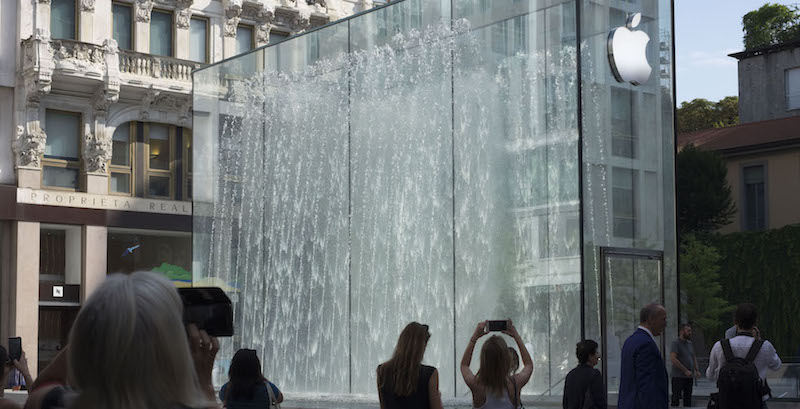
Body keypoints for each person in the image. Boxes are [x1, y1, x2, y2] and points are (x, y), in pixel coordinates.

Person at [25, 271, 220, 409]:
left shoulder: (56, 403)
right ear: (172, 351)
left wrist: (104, 326)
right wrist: (205, 385)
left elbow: (43, 386)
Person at [706, 303, 781, 409]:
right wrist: (759, 341)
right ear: (755, 322)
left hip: (727, 402)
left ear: (735, 322)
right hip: (755, 402)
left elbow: (710, 376)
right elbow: (777, 365)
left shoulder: (719, 346)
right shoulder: (765, 346)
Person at [460, 320, 533, 409]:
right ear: (507, 360)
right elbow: (528, 365)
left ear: (483, 360)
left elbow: (464, 365)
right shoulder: (515, 384)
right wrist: (516, 336)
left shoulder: (477, 386)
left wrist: (474, 337)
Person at [377, 322, 443, 409]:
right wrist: (437, 397)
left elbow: (383, 406)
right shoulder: (430, 374)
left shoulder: (382, 371)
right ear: (420, 347)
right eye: (425, 346)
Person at [617, 303, 668, 409]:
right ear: (651, 319)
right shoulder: (646, 345)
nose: (665, 324)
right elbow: (648, 386)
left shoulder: (630, 341)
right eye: (663, 319)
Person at [219, 349, 283, 408]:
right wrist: (262, 377)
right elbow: (280, 399)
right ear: (257, 367)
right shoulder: (268, 388)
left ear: (233, 368)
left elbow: (223, 399)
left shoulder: (226, 389)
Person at [562, 340, 606, 409]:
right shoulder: (594, 375)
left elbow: (566, 403)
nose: (598, 355)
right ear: (590, 356)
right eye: (596, 352)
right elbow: (599, 402)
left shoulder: (570, 375)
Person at [669, 323, 700, 407]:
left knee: (688, 399)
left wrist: (697, 370)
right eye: (688, 331)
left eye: (690, 330)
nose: (690, 332)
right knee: (676, 398)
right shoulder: (675, 343)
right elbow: (673, 359)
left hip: (689, 376)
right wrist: (685, 370)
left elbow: (693, 357)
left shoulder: (690, 343)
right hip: (678, 376)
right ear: (682, 331)